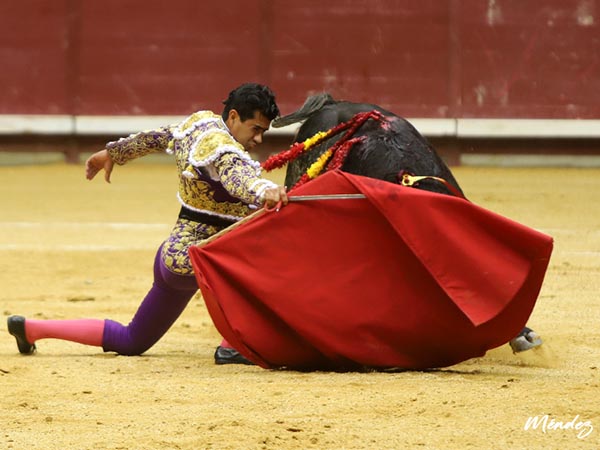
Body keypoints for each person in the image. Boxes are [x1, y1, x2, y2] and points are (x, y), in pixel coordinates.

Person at [7, 82, 288, 365]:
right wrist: (263, 190)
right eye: (256, 129)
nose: (259, 139)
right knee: (262, 262)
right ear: (234, 117)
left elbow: (159, 136)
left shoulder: (201, 122)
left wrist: (113, 153)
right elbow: (237, 178)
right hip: (198, 261)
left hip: (172, 259)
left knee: (131, 340)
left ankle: (32, 329)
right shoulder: (221, 149)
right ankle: (231, 346)